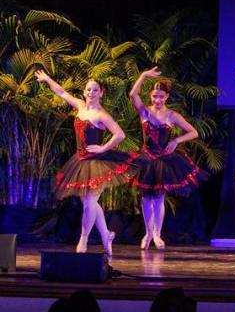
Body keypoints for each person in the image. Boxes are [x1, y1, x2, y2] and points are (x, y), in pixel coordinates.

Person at [36, 71, 138, 255]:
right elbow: (61, 93)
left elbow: (120, 134)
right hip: (80, 162)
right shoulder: (80, 106)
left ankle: (83, 240)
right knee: (89, 202)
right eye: (89, 89)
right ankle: (106, 234)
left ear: (101, 93)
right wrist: (47, 79)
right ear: (84, 92)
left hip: (95, 163)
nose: (91, 92)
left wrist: (103, 148)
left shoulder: (101, 114)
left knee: (89, 202)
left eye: (95, 90)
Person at [129, 67, 206, 250]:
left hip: (164, 160)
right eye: (155, 96)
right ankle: (148, 233)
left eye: (161, 97)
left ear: (167, 97)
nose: (157, 100)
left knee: (159, 199)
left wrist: (176, 140)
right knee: (146, 199)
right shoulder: (144, 112)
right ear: (150, 95)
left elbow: (193, 132)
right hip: (147, 159)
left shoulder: (172, 115)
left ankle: (157, 234)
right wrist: (143, 75)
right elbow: (133, 94)